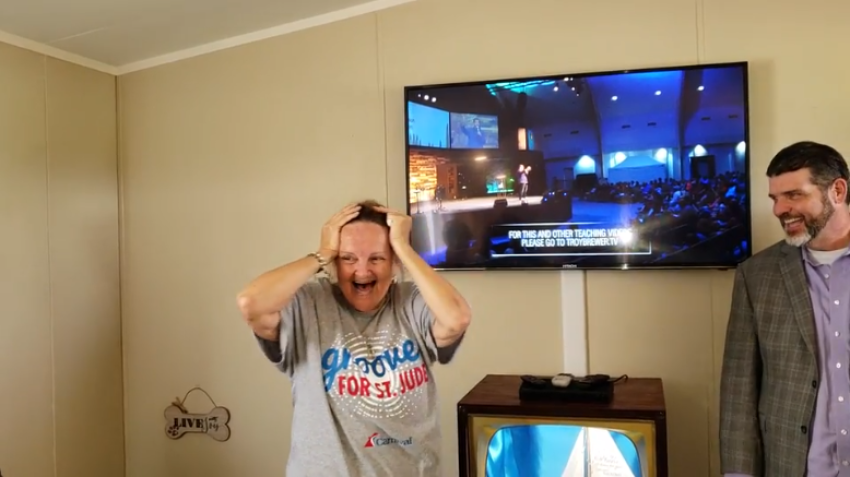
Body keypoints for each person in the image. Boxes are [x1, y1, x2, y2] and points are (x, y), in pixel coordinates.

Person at [236, 200, 472, 477]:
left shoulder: (411, 302)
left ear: (394, 262)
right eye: (348, 258)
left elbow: (456, 318)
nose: (362, 271)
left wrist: (404, 248)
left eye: (377, 258)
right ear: (334, 262)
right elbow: (251, 302)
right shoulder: (308, 303)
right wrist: (322, 252)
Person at [719, 141, 850, 477]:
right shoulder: (756, 275)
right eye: (775, 199)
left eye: (793, 195)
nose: (779, 209)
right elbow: (738, 390)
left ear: (837, 190)